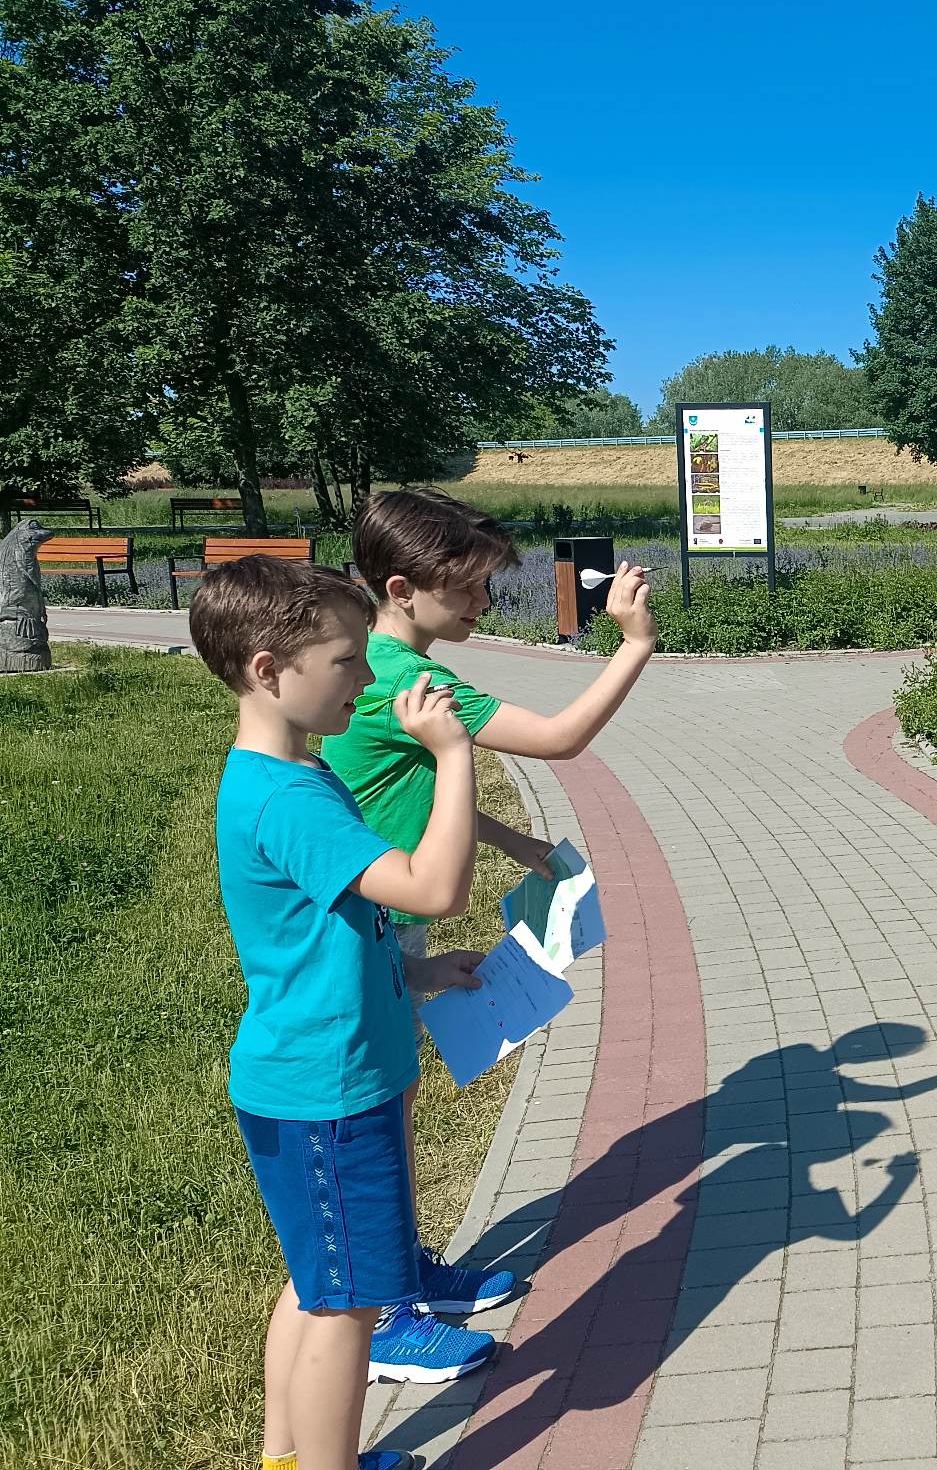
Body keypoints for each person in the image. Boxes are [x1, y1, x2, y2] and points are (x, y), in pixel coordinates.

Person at [322, 488, 656, 1375]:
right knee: (372, 1121)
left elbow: (404, 786)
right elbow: (559, 738)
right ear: (402, 589)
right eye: (467, 587)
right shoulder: (406, 681)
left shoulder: (378, 667)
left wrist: (514, 842)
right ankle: (383, 1319)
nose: (483, 602)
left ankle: (404, 1271)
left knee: (394, 1105)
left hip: (383, 919)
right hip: (368, 925)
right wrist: (633, 644)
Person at [188, 557, 489, 1470]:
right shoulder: (289, 798)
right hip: (329, 1093)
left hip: (315, 1076)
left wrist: (421, 974)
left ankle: (288, 1459)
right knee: (349, 1307)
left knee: (319, 1285)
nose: (366, 677)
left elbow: (328, 931)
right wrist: (454, 754)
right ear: (269, 670)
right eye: (346, 660)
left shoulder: (291, 775)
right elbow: (434, 887)